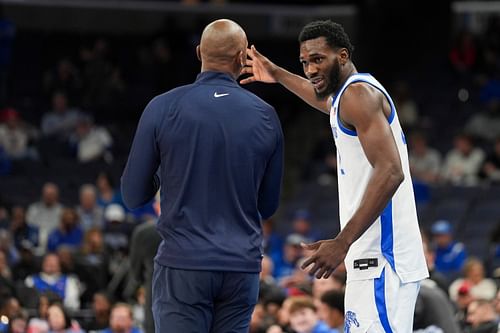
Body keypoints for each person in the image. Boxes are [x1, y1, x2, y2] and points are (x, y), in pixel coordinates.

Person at [242, 19, 428, 331]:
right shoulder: (347, 97)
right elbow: (324, 101)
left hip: (382, 258)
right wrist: (275, 73)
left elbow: (391, 172)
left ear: (342, 56)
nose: (310, 69)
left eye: (317, 59)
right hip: (375, 259)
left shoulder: (359, 96)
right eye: (305, 62)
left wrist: (342, 242)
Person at [121, 19, 283, 333]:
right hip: (241, 267)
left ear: (199, 53)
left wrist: (163, 174)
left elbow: (132, 195)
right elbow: (268, 205)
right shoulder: (266, 115)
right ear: (241, 58)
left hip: (183, 264)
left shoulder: (162, 107)